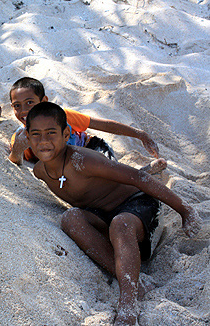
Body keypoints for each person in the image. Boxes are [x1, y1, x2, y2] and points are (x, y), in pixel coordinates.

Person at [25, 102, 202, 325]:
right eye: (36, 135)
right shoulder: (40, 171)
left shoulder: (83, 160)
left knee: (121, 223)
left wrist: (184, 210)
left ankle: (129, 302)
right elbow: (16, 150)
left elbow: (138, 179)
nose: (43, 141)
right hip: (103, 216)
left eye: (51, 133)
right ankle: (136, 280)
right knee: (71, 218)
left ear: (66, 133)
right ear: (28, 137)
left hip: (138, 207)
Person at [9, 77, 163, 173]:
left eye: (30, 102)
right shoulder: (21, 136)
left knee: (106, 168)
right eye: (17, 106)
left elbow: (102, 125)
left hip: (90, 147)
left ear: (44, 102)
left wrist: (140, 134)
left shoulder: (63, 116)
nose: (24, 110)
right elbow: (16, 160)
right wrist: (17, 149)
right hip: (66, 165)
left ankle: (138, 174)